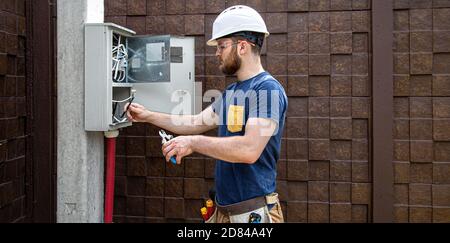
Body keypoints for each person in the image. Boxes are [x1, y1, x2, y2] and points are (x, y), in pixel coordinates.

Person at [125, 5, 288, 223]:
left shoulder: (267, 89)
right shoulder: (232, 92)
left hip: (252, 215)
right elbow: (195, 122)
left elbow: (249, 149)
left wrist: (192, 143)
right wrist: (148, 116)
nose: (216, 53)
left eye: (221, 46)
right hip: (224, 212)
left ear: (242, 47)